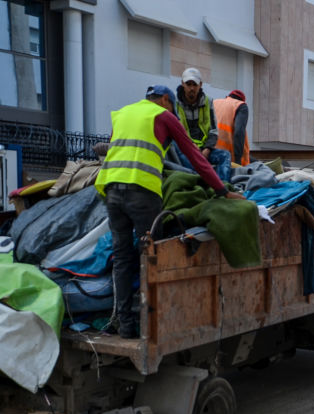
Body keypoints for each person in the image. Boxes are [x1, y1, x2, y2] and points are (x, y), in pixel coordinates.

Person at [96, 84, 244, 338]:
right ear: (165, 100)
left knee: (122, 257)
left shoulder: (122, 113)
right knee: (155, 253)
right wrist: (222, 190)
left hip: (111, 191)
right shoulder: (163, 116)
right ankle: (156, 324)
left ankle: (127, 326)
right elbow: (196, 158)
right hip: (142, 192)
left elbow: (115, 151)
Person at [175, 68, 231, 179]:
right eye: (188, 84)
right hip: (186, 150)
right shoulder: (175, 103)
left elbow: (214, 130)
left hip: (204, 149)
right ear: (182, 84)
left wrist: (208, 149)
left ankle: (223, 187)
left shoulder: (208, 101)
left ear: (200, 85)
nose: (191, 88)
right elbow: (176, 132)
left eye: (194, 84)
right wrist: (191, 146)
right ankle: (200, 184)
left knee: (225, 156)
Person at [212, 89, 249, 166]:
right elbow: (239, 133)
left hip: (208, 152)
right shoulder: (241, 106)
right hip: (226, 158)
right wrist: (237, 160)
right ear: (242, 100)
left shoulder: (214, 102)